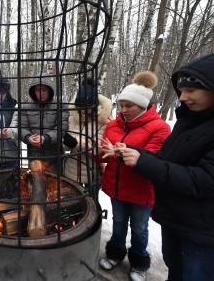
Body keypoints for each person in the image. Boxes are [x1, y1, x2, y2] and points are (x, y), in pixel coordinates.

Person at [118, 53, 214, 281]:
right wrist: (134, 153)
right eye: (180, 91)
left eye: (191, 90)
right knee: (176, 270)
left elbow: (204, 180)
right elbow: (167, 158)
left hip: (202, 231)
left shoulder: (164, 125)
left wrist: (141, 161)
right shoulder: (189, 120)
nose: (182, 97)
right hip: (176, 218)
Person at [99, 71, 171, 281]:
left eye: (129, 106)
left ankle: (139, 262)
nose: (123, 110)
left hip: (141, 191)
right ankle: (115, 253)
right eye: (121, 105)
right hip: (116, 186)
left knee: (139, 229)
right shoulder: (113, 124)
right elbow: (105, 153)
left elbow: (154, 159)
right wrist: (97, 152)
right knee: (119, 223)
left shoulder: (160, 128)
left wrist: (120, 153)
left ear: (143, 105)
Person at [64, 79, 113, 188]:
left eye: (86, 108)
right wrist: (67, 143)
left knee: (92, 202)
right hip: (72, 170)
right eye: (79, 107)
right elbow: (65, 146)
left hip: (92, 172)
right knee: (73, 201)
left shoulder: (104, 122)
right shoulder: (73, 118)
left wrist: (76, 143)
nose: (82, 111)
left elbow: (101, 150)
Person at [21, 74, 69, 172]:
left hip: (54, 156)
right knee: (36, 184)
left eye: (44, 90)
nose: (41, 93)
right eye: (38, 90)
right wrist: (28, 137)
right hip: (34, 156)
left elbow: (62, 127)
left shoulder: (60, 106)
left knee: (54, 184)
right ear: (34, 91)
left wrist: (45, 138)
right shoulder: (26, 108)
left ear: (49, 90)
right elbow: (21, 127)